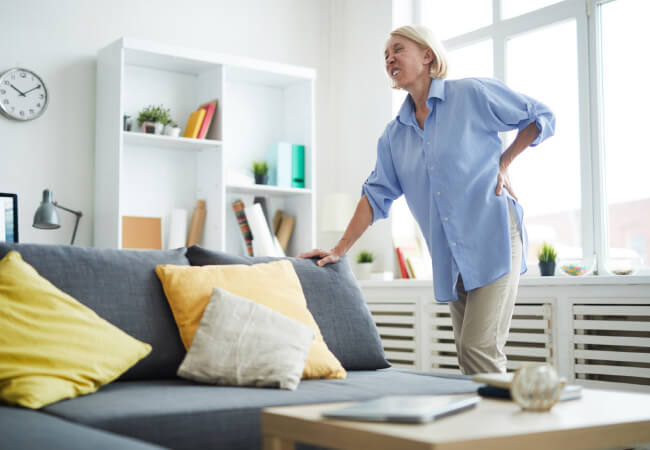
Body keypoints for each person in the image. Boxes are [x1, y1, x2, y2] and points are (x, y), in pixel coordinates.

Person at [299, 25, 555, 375]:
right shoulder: (394, 135)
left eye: (398, 49)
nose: (390, 58)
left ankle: (512, 426)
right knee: (470, 359)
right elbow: (374, 195)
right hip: (451, 256)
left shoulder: (471, 95)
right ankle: (486, 427)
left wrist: (505, 161)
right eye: (385, 55)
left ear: (427, 55)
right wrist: (339, 249)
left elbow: (541, 117)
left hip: (494, 237)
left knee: (479, 349)